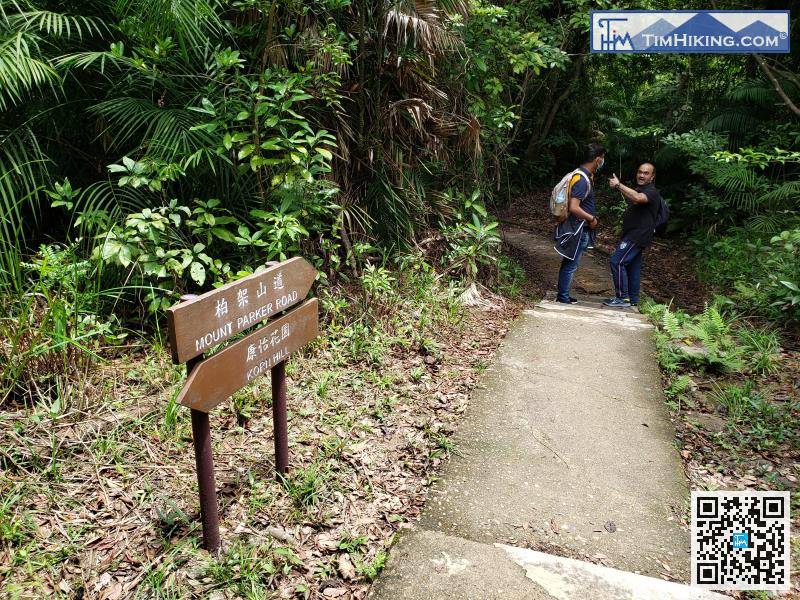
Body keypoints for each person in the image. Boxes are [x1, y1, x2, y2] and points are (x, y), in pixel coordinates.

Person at [603, 162, 661, 308]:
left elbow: (638, 198)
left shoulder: (651, 191)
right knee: (633, 267)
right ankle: (633, 299)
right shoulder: (641, 188)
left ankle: (622, 298)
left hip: (637, 236)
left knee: (618, 262)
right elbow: (635, 196)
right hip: (633, 234)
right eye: (640, 172)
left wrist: (618, 185)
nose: (641, 175)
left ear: (652, 177)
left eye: (646, 173)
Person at [554, 143, 605, 304]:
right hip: (577, 228)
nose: (603, 161)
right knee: (571, 264)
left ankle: (563, 295)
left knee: (569, 262)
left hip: (577, 227)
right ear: (597, 159)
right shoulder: (582, 180)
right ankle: (563, 297)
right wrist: (591, 219)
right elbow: (574, 207)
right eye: (602, 158)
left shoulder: (581, 175)